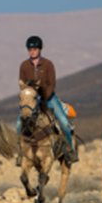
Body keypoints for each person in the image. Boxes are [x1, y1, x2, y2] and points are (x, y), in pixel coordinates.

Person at [18, 35, 78, 164]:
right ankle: (21, 153)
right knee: (19, 123)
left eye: (34, 49)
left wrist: (44, 97)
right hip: (31, 100)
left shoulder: (48, 64)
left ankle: (70, 150)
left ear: (40, 49)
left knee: (63, 122)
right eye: (30, 49)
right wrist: (28, 95)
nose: (32, 51)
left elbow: (52, 83)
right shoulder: (24, 65)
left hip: (48, 98)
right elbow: (22, 84)